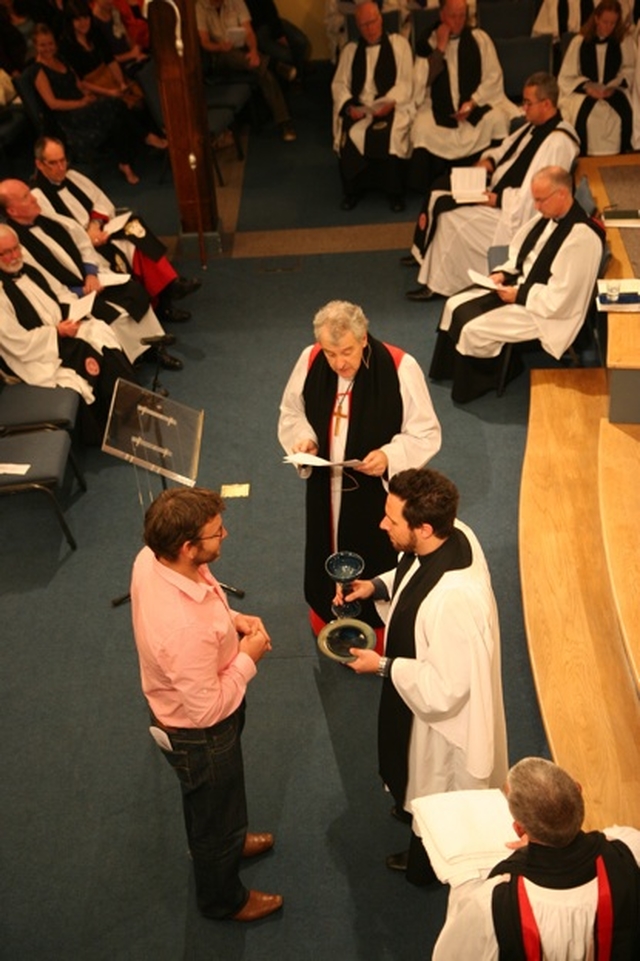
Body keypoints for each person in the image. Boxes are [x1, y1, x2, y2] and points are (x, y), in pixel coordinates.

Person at [342, 467, 508, 884]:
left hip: (446, 728)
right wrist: (376, 588)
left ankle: (429, 868)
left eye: (392, 520)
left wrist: (380, 664)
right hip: (419, 696)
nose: (382, 525)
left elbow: (445, 690)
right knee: (415, 781)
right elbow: (410, 572)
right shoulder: (456, 533)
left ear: (425, 527)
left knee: (436, 790)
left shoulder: (455, 600)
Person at [130, 487, 283, 922]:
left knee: (216, 802)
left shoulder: (151, 558)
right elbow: (208, 710)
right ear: (187, 546)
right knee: (216, 815)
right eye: (217, 533)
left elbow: (204, 594)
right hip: (201, 734)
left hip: (194, 704)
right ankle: (223, 900)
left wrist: (233, 621)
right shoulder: (180, 628)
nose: (226, 535)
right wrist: (248, 658)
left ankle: (229, 840)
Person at [278, 300, 441, 640]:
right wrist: (304, 439)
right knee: (326, 545)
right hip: (325, 486)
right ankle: (328, 613)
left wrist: (388, 455)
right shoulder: (310, 360)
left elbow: (426, 431)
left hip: (375, 493)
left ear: (364, 338)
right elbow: (293, 412)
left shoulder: (398, 366)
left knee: (374, 551)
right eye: (331, 354)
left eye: (347, 352)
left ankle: (377, 625)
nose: (339, 363)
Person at [432, 757, 640, 959]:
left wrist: (526, 850)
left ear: (518, 828)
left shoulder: (492, 904)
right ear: (578, 790)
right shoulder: (630, 850)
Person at [430, 166, 604, 403]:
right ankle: (454, 370)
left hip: (545, 311)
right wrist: (504, 272)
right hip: (523, 285)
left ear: (562, 194)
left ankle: (495, 375)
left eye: (540, 200)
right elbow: (523, 252)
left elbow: (562, 299)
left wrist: (519, 294)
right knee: (455, 304)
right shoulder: (549, 216)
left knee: (473, 327)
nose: (536, 206)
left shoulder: (581, 238)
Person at [404, 73, 581, 301]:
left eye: (528, 102)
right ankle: (423, 252)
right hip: (499, 188)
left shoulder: (558, 141)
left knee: (451, 217)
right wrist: (489, 161)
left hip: (513, 212)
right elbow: (507, 148)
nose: (523, 108)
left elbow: (536, 196)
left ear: (546, 104)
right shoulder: (534, 127)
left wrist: (496, 200)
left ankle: (439, 283)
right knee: (439, 186)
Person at [0, 178, 182, 370]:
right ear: (12, 211)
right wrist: (80, 291)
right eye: (26, 197)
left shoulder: (48, 218)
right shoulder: (14, 243)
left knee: (133, 290)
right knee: (114, 315)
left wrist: (91, 274)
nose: (34, 198)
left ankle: (156, 348)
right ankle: (133, 357)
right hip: (70, 294)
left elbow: (82, 242)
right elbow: (44, 281)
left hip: (90, 279)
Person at [31, 136, 201, 326]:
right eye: (53, 163)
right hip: (83, 249)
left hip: (100, 231)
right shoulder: (37, 197)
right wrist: (87, 237)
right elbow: (59, 232)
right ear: (39, 164)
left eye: (63, 160)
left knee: (134, 228)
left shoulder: (72, 177)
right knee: (129, 245)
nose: (61, 167)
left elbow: (100, 200)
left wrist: (95, 224)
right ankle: (166, 295)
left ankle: (167, 292)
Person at [0, 223, 136, 440]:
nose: (14, 255)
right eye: (4, 253)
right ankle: (109, 426)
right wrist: (56, 332)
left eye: (15, 248)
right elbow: (15, 342)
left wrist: (73, 313)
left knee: (100, 333)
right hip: (33, 353)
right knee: (87, 355)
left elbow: (59, 292)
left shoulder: (28, 268)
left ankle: (131, 406)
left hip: (60, 328)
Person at [409, 0, 519, 188]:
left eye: (462, 15)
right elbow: (421, 82)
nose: (458, 21)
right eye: (453, 16)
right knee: (421, 128)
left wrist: (473, 102)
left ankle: (492, 176)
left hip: (473, 106)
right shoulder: (429, 42)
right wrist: (440, 49)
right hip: (438, 108)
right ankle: (431, 183)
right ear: (442, 15)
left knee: (498, 119)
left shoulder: (479, 39)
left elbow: (493, 77)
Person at [31, 23, 144, 185]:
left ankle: (125, 163)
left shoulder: (61, 59)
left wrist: (87, 95)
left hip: (82, 106)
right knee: (116, 105)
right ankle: (144, 137)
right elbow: (53, 104)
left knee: (117, 116)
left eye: (50, 43)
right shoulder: (38, 70)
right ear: (35, 46)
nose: (48, 48)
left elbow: (79, 83)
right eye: (43, 45)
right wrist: (81, 102)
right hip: (69, 117)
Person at [331, 1, 414, 211]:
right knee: (348, 134)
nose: (369, 28)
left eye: (372, 22)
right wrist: (349, 107)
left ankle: (394, 193)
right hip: (360, 109)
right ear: (357, 26)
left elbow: (406, 81)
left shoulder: (399, 44)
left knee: (393, 133)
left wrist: (389, 102)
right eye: (363, 25)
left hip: (389, 105)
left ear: (381, 19)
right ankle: (353, 191)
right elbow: (339, 84)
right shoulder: (350, 50)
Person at [196, 0, 297, 142]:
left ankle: (284, 121)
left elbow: (248, 31)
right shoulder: (200, 7)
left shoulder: (236, 2)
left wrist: (254, 51)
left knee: (265, 74)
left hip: (241, 51)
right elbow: (205, 42)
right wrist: (220, 47)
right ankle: (274, 64)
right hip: (219, 56)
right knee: (232, 55)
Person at [558, 0, 635, 156]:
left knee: (624, 116)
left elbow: (630, 69)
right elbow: (566, 76)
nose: (609, 27)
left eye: (613, 23)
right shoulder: (580, 41)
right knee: (590, 120)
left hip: (614, 92)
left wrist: (614, 86)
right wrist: (587, 87)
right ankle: (586, 159)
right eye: (605, 22)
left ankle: (621, 157)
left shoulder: (623, 41)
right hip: (585, 92)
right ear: (596, 19)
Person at [244, 0, 310, 80]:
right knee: (286, 55)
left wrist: (278, 34)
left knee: (301, 42)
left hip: (271, 22)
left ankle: (300, 70)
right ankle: (297, 75)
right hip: (256, 31)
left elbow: (270, 9)